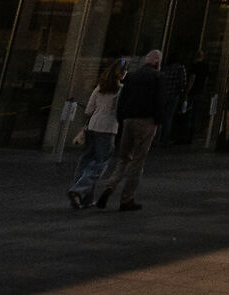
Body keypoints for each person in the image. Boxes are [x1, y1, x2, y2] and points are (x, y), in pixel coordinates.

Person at [94, 51, 161, 211]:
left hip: (129, 121)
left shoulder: (132, 76)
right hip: (146, 120)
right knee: (138, 160)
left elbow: (123, 98)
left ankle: (110, 186)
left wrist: (122, 118)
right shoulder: (158, 78)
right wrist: (158, 121)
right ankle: (127, 198)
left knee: (124, 158)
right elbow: (160, 100)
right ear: (157, 62)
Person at [68, 62, 122, 208]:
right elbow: (120, 111)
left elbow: (89, 109)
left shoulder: (100, 88)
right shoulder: (120, 90)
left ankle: (84, 197)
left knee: (86, 160)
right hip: (108, 127)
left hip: (93, 125)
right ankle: (78, 190)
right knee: (101, 162)